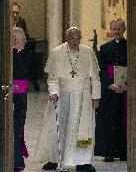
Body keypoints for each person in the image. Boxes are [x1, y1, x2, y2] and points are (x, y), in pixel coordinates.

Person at [40, 27, 101, 172]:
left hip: (83, 96)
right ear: (66, 38)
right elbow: (52, 78)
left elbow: (95, 77)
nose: (75, 41)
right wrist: (53, 92)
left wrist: (96, 96)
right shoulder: (56, 52)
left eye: (77, 38)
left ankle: (83, 162)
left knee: (83, 129)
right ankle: (55, 159)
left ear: (81, 37)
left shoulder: (88, 52)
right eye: (72, 38)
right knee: (59, 128)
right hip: (63, 95)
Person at [99, 18, 127, 162]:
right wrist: (110, 84)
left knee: (123, 121)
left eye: (119, 29)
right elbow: (101, 70)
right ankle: (108, 152)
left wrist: (127, 85)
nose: (116, 32)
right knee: (108, 120)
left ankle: (123, 152)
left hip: (125, 91)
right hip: (109, 91)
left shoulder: (130, 47)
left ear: (124, 30)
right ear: (111, 30)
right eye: (114, 29)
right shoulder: (104, 48)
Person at [13, 27, 29, 171]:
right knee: (15, 127)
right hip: (15, 98)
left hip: (21, 98)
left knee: (20, 126)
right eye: (22, 39)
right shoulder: (11, 55)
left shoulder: (20, 53)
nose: (25, 41)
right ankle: (16, 160)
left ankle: (18, 158)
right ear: (14, 41)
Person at [13, 2, 40, 91]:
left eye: (17, 13)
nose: (15, 15)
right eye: (12, 12)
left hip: (19, 67)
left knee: (20, 97)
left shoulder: (20, 30)